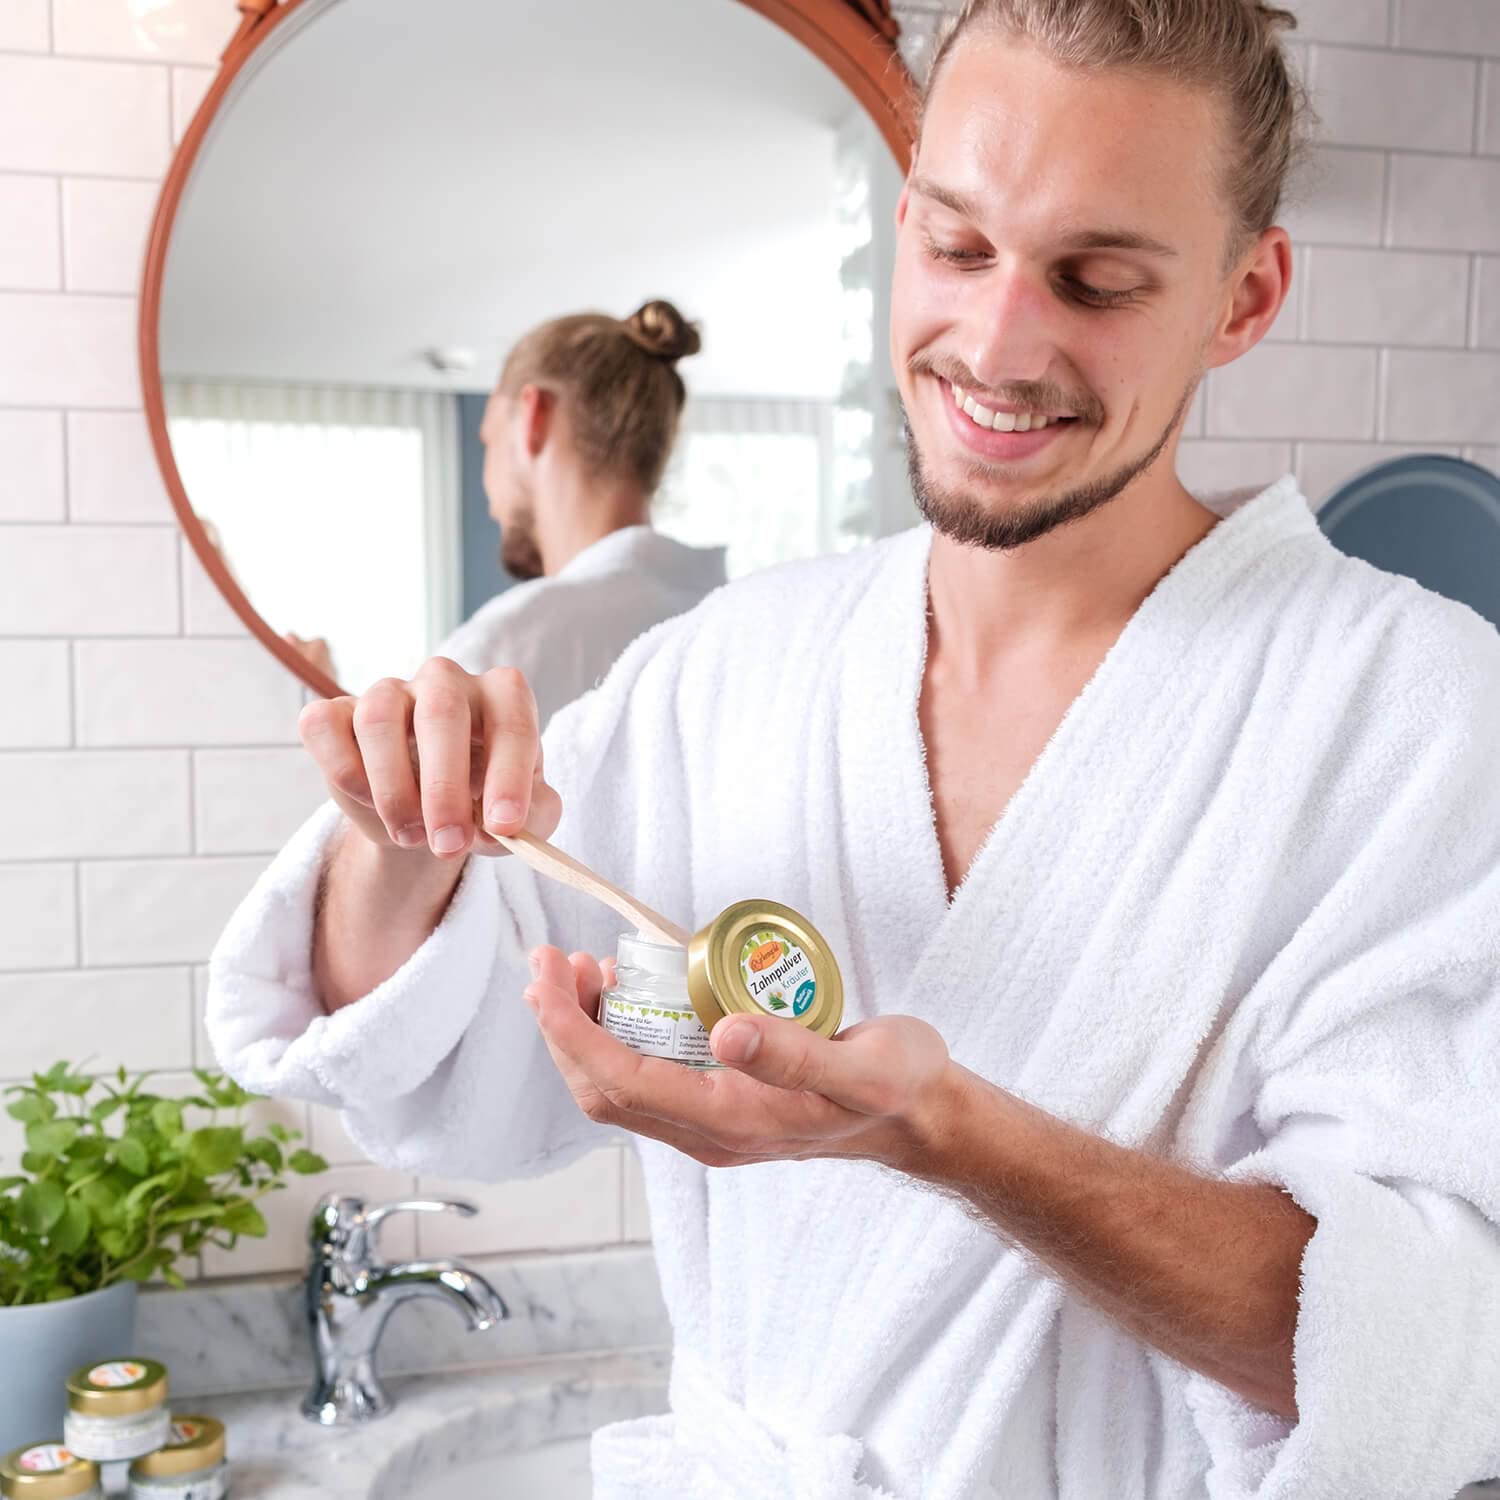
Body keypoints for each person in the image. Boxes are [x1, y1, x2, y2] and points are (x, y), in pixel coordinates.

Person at [206, 2, 1500, 1496]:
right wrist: (395, 842)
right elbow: (444, 1070)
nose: (997, 345)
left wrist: (952, 1137)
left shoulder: (1416, 712)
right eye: (958, 247)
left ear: (1242, 296)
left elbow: (1432, 1348)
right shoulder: (729, 669)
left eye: (1095, 280)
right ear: (903, 228)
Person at [437, 297, 726, 728]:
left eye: (488, 442)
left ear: (533, 418)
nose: (489, 492)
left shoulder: (500, 651)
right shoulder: (729, 617)